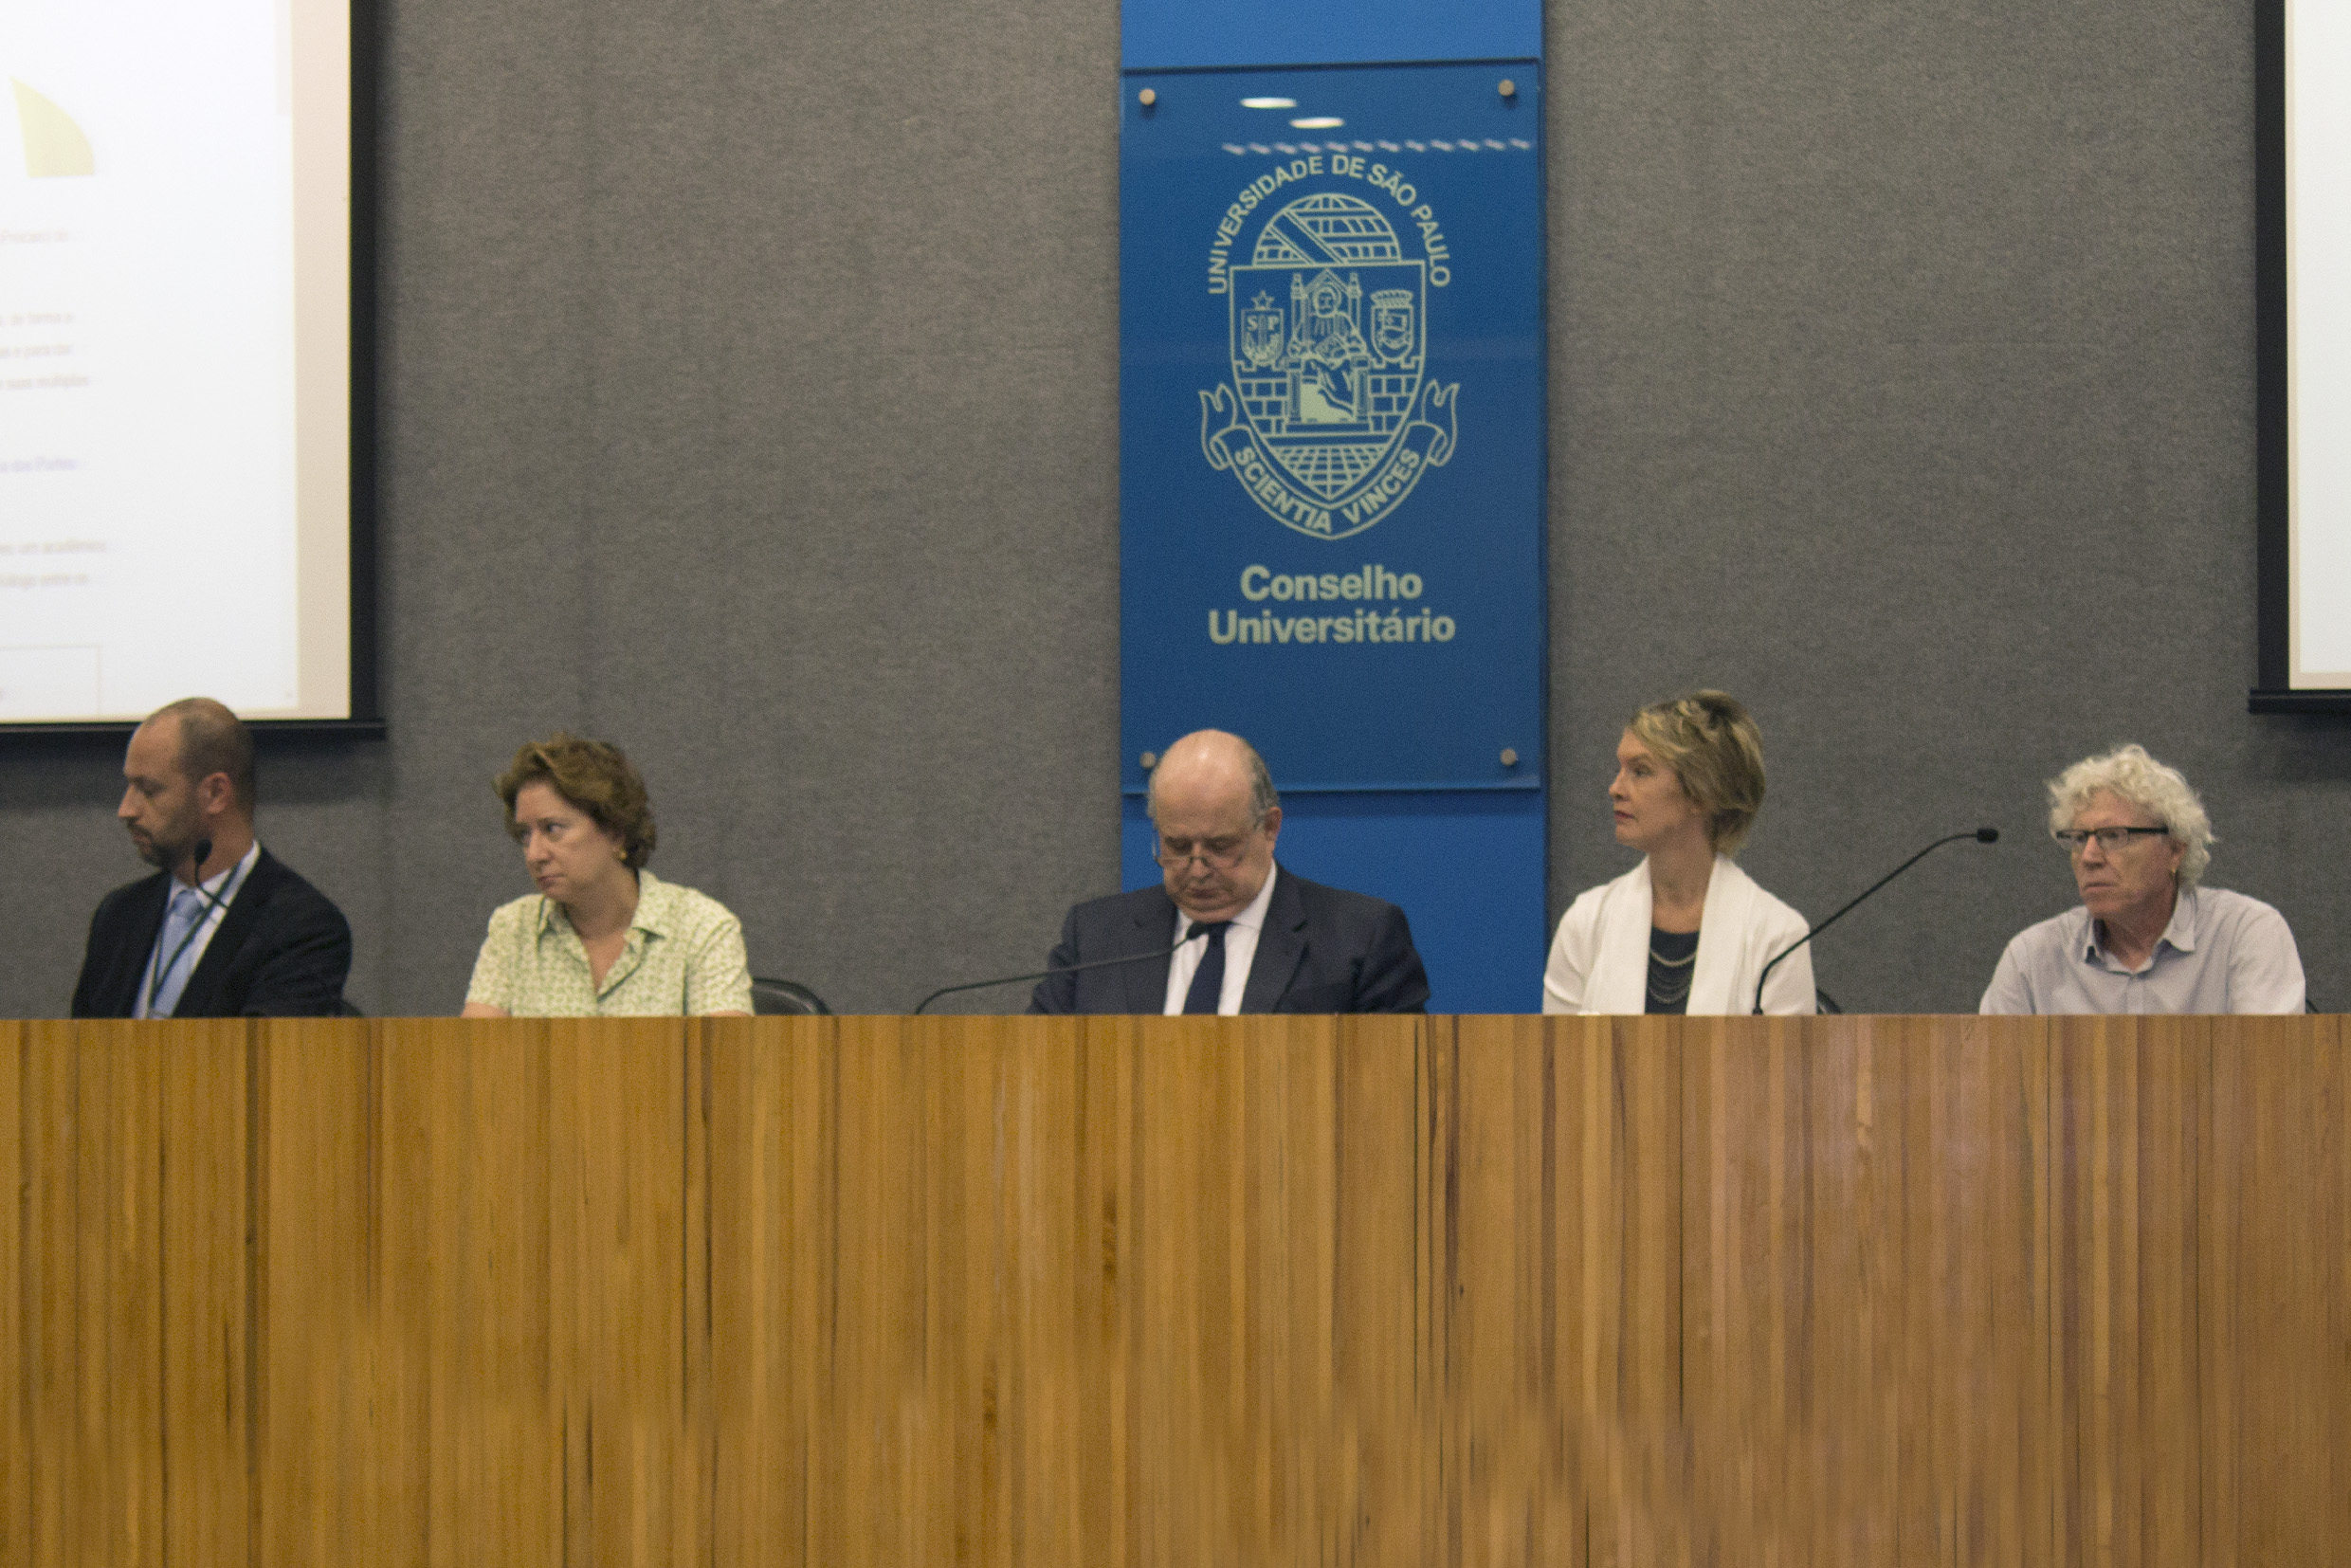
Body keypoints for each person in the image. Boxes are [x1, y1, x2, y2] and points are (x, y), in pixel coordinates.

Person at [1028, 729, 1429, 1014]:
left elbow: (1394, 1089)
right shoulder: (1096, 938)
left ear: (1270, 828)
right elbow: (1039, 1066)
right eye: (1177, 847)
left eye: (1220, 848)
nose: (1196, 870)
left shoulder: (1359, 938)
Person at [71, 698, 353, 1017]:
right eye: (129, 786)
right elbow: (81, 1052)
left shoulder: (301, 928)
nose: (126, 810)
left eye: (148, 790)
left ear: (216, 794)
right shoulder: (120, 915)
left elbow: (265, 1060)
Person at [1542, 691, 1813, 1015]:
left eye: (1640, 772)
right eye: (1620, 769)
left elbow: (1785, 1066)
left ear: (1701, 793)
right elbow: (1560, 1060)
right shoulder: (1585, 923)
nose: (1615, 788)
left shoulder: (1778, 936)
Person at [1980, 744, 2304, 1014]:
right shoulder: (2032, 957)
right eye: (2079, 838)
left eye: (2113, 836)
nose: (2090, 856)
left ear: (2175, 850)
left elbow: (2269, 1074)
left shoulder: (2245, 934)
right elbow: (1990, 1079)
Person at [461, 734, 754, 1017]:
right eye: (525, 835)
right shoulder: (513, 930)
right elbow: (476, 1058)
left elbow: (725, 1060)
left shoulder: (701, 929)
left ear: (615, 832)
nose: (534, 854)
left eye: (552, 829)